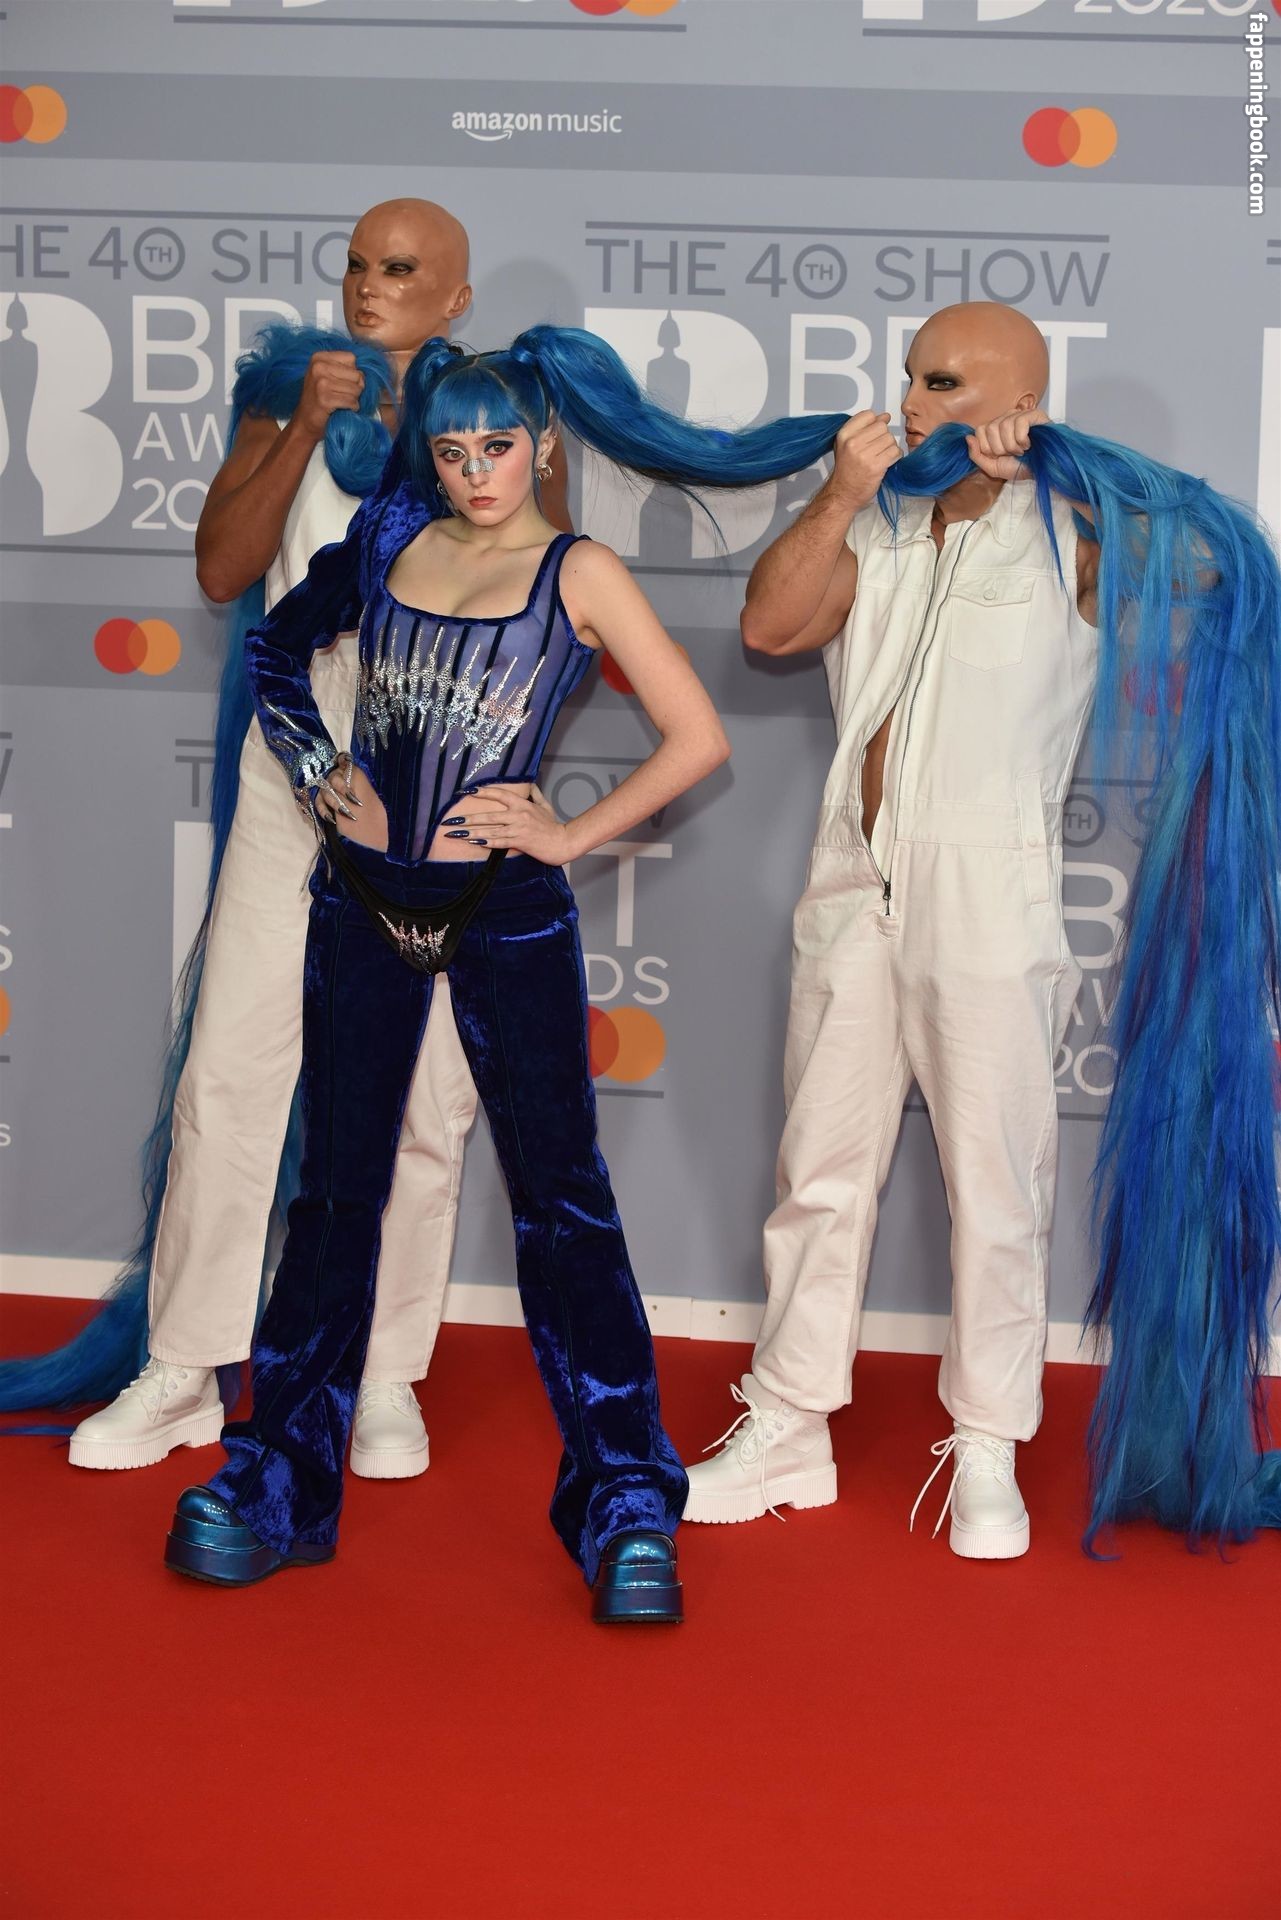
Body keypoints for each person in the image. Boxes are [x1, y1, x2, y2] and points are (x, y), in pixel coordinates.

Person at [160, 327, 854, 1620]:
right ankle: (275, 1485)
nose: (475, 471)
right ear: (429, 455)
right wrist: (318, 772)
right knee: (335, 1199)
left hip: (506, 911)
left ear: (540, 447)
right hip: (359, 904)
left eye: (497, 447)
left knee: (562, 1203)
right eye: (451, 450)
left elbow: (696, 736)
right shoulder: (386, 542)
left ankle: (626, 1508)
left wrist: (572, 833)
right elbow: (271, 648)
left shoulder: (579, 569)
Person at [683, 299, 1281, 1557]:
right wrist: (842, 494)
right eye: (910, 377)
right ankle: (789, 1422)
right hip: (852, 881)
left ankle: (991, 1447)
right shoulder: (877, 522)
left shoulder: (1075, 534)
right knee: (818, 1174)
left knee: (1000, 1185)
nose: (913, 404)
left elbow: (1221, 562)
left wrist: (1076, 473)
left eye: (946, 383)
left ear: (1019, 400)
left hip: (991, 894)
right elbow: (770, 628)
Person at [0, 200, 563, 1480]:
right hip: (292, 767)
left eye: (401, 270)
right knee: (231, 1074)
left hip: (438, 780)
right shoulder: (285, 393)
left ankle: (383, 1373)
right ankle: (186, 1366)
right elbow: (221, 570)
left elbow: (539, 583)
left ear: (456, 297)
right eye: (357, 265)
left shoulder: (501, 411)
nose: (369, 288)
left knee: (423, 1098)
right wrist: (305, 423)